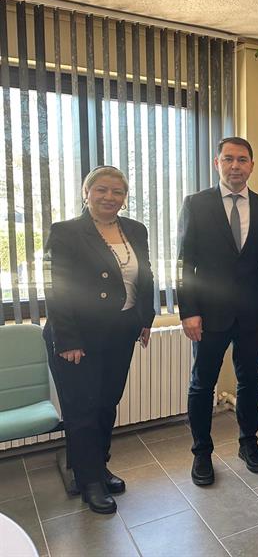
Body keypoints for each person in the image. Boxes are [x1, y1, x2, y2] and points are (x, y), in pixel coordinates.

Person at [43, 166, 155, 514]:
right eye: (101, 190)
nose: (109, 197)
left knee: (107, 404)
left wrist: (146, 319)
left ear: (125, 197)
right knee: (83, 408)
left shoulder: (135, 230)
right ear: (86, 192)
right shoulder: (65, 232)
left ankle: (99, 467)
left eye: (117, 191)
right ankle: (88, 479)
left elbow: (146, 275)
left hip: (120, 331)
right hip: (78, 336)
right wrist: (67, 339)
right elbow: (55, 288)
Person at [177, 136, 258, 486]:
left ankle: (248, 443)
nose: (236, 166)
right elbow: (184, 263)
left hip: (252, 314)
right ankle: (201, 452)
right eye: (229, 159)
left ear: (252, 165)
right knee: (202, 384)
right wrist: (188, 311)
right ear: (217, 163)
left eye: (242, 159)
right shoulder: (196, 204)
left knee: (250, 381)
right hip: (207, 315)